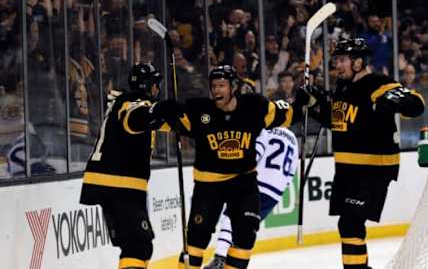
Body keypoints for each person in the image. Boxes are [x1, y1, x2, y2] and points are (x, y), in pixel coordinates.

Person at [164, 65, 308, 269]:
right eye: (213, 86)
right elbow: (166, 122)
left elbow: (288, 115)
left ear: (233, 87)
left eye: (221, 85)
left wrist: (303, 102)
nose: (216, 91)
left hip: (243, 183)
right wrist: (162, 111)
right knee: (196, 240)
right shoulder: (200, 110)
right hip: (208, 185)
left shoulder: (255, 107)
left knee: (246, 235)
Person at [308, 38, 425, 269]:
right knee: (347, 225)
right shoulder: (343, 87)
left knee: (351, 223)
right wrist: (314, 105)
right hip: (347, 168)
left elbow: (416, 104)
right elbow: (338, 122)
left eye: (341, 60)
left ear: (358, 62)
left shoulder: (377, 83)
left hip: (373, 167)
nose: (337, 66)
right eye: (336, 60)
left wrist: (396, 100)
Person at [80, 62, 171, 269]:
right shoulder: (134, 101)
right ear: (148, 85)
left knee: (139, 246)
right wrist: (159, 111)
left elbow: (163, 121)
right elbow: (136, 118)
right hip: (119, 184)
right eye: (155, 84)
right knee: (137, 245)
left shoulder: (134, 103)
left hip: (117, 183)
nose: (158, 89)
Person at [204, 126, 299, 269]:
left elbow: (255, 153)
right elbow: (292, 171)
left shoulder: (264, 128)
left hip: (256, 183)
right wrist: (279, 189)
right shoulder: (293, 138)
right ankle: (232, 262)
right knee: (245, 227)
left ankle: (220, 258)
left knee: (231, 216)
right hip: (274, 193)